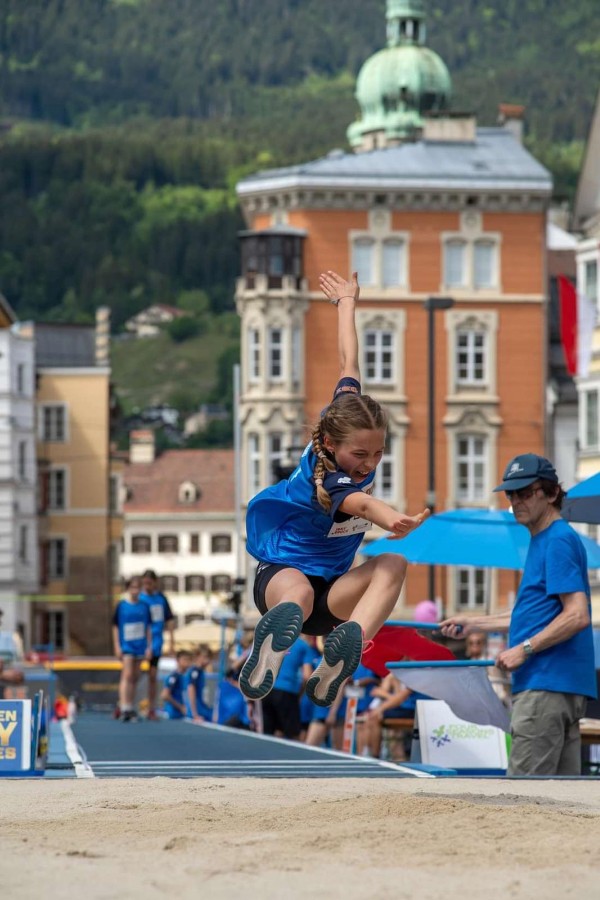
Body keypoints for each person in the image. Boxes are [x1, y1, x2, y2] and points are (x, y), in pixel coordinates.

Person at [241, 269, 429, 708]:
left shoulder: (345, 418)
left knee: (392, 564)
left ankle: (346, 647)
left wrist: (347, 303)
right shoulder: (329, 478)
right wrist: (391, 518)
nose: (371, 463)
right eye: (361, 455)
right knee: (299, 595)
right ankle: (270, 647)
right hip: (281, 581)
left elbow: (349, 362)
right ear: (329, 443)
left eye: (379, 453)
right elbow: (360, 501)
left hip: (333, 595)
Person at [441, 453, 597, 776]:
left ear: (552, 493)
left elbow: (577, 615)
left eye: (526, 492)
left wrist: (524, 649)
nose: (516, 500)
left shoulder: (557, 540)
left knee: (524, 797)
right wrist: (474, 624)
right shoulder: (550, 539)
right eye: (511, 494)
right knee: (562, 806)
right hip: (555, 686)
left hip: (544, 686)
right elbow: (534, 613)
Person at [112, 576, 152, 722]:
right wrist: (117, 645)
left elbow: (148, 627)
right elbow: (115, 626)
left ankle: (130, 705)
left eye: (137, 588)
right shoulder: (122, 606)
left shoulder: (144, 606)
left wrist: (149, 646)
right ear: (128, 589)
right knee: (127, 674)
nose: (135, 591)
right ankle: (124, 707)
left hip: (140, 644)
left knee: (135, 676)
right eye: (132, 588)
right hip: (127, 645)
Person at [261, 635, 315, 740]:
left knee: (270, 733)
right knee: (292, 735)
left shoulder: (276, 641)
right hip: (287, 691)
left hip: (268, 690)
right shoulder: (304, 646)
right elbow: (307, 676)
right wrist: (300, 693)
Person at [139, 570, 176, 721]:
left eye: (149, 583)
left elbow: (170, 620)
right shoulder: (140, 598)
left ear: (155, 582)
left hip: (156, 642)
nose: (147, 586)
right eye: (144, 583)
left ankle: (151, 708)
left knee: (153, 676)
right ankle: (127, 705)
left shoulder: (161, 599)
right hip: (140, 642)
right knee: (134, 675)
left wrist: (172, 641)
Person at [184, 644, 214, 721]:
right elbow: (191, 689)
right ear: (198, 657)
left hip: (201, 708)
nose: (207, 660)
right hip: (197, 711)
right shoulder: (195, 671)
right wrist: (195, 714)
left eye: (209, 658)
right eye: (205, 657)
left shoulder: (199, 671)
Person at [161, 650, 191, 719]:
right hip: (173, 714)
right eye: (185, 659)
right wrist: (181, 707)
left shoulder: (185, 677)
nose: (187, 662)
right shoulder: (174, 676)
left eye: (189, 660)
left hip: (181, 715)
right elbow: (165, 695)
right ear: (178, 661)